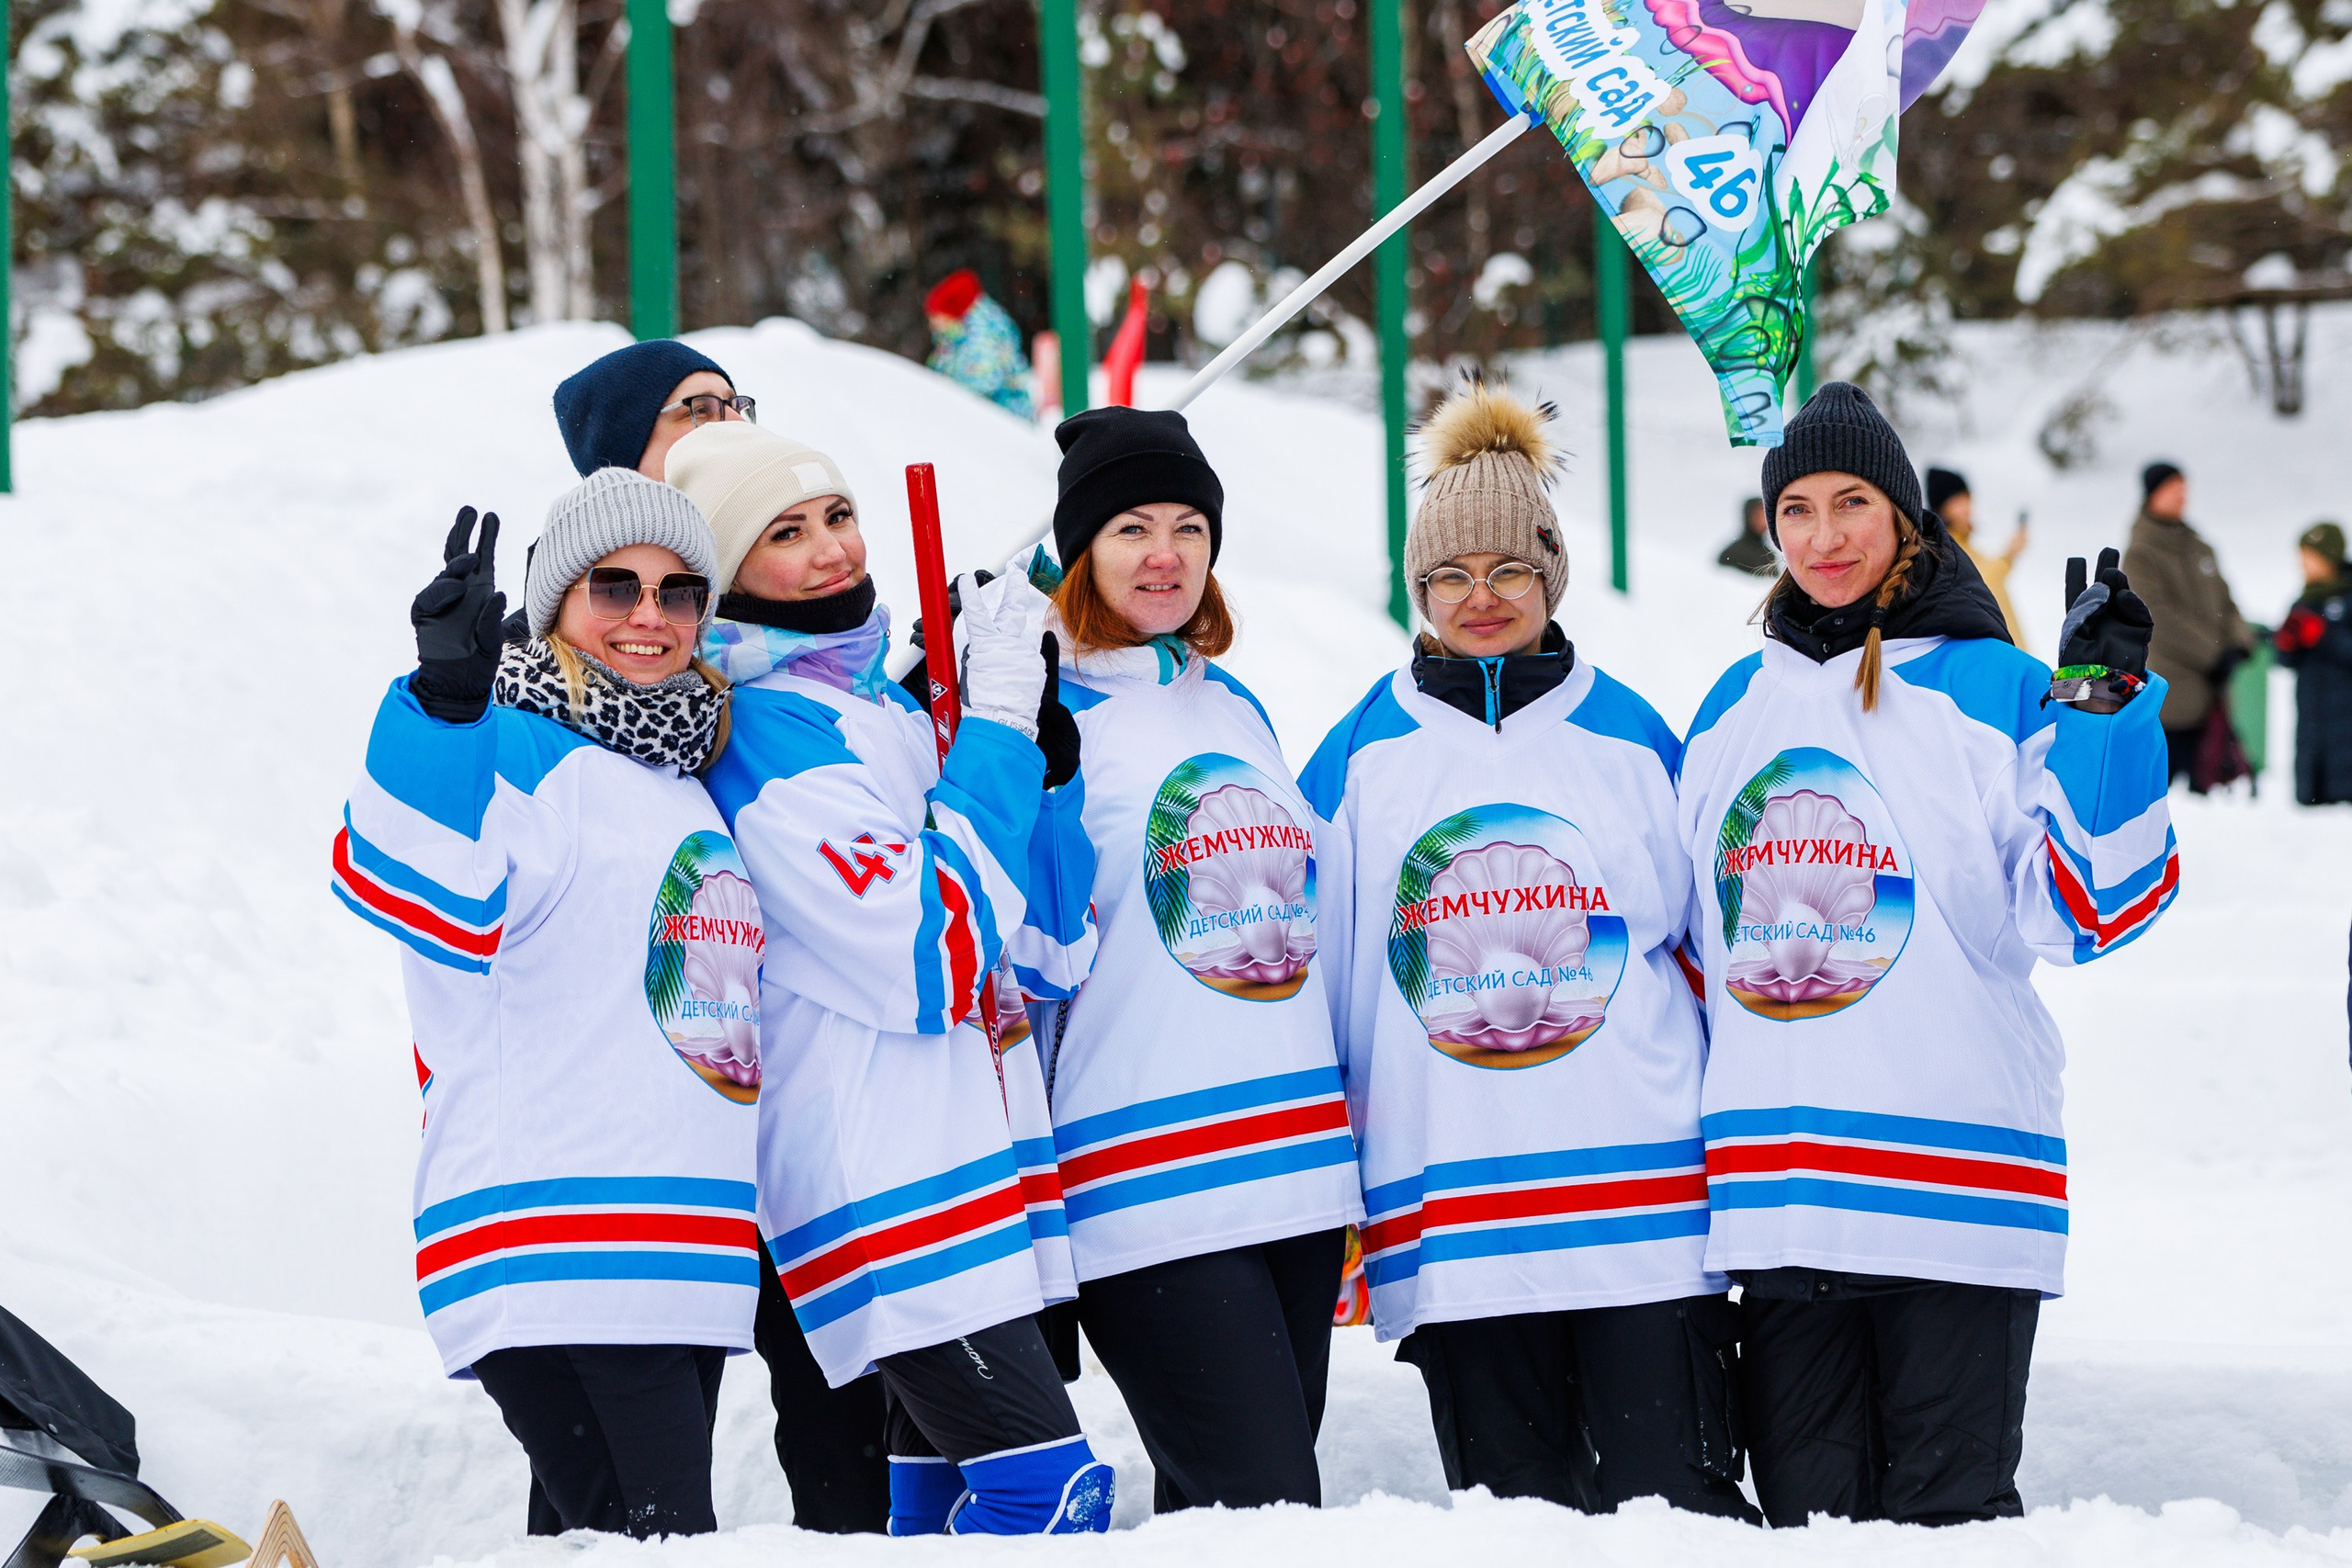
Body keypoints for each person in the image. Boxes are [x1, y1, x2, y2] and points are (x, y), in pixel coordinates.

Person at [1678, 384, 2177, 1529]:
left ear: (1904, 516)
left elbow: (2088, 909)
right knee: (1808, 1534)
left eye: (1851, 502)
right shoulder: (1727, 712)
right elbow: (1689, 951)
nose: (1823, 535)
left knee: (1949, 1536)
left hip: (1953, 1197)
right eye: (1794, 509)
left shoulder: (1992, 687)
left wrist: (2101, 709)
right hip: (1783, 1199)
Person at [1300, 378, 1758, 1522]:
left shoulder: (1637, 739)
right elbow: (1303, 980)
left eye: (1508, 570)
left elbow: (1720, 964)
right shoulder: (1360, 755)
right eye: (1449, 575)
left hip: (1647, 1217)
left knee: (1680, 1522)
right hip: (1456, 1220)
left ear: (1550, 573)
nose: (1480, 598)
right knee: (1518, 1529)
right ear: (1416, 587)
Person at [665, 421, 1111, 1537]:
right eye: (784, 533)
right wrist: (997, 731)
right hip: (887, 1179)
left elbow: (1050, 947)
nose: (831, 553)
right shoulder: (763, 734)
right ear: (724, 575)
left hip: (974, 1157)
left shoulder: (877, 708)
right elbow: (936, 953)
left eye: (839, 517)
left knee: (934, 1508)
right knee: (1048, 1498)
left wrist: (1031, 760)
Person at [334, 473, 756, 1538]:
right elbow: (407, 868)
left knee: (592, 1545)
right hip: (562, 1235)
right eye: (613, 588)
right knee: (657, 1545)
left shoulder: (680, 771)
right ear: (554, 605)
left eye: (678, 591)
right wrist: (442, 705)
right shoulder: (510, 743)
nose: (649, 617)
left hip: (678, 1241)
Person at [544, 344, 891, 1535]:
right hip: (638, 1143)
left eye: (738, 406)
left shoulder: (785, 666)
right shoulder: (564, 668)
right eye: (693, 411)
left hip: (807, 1111)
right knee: (621, 1476)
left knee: (846, 1409)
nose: (725, 425)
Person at [1029, 407, 1363, 1516]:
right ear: (1078, 549)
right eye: (1129, 527)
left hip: (1296, 1170)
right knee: (1261, 1505)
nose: (1165, 554)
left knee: (1239, 1512)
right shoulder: (1029, 715)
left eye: (1187, 526)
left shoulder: (1232, 703)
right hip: (1147, 1175)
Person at [2122, 460, 2252, 789]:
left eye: (2184, 486)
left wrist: (2239, 642)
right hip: (2171, 699)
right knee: (2165, 796)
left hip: (2212, 697)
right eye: (2173, 487)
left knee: (2210, 792)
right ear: (2153, 494)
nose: (2182, 494)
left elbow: (2227, 601)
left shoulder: (2199, 547)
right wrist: (2214, 654)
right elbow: (2156, 617)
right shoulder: (2141, 552)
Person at [2275, 520, 2352, 806]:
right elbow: (2285, 661)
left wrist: (2324, 636)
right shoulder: (2303, 601)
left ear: (2330, 557)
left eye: (2310, 557)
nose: (2303, 565)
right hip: (2313, 726)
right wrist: (2287, 644)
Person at [1927, 467, 2028, 648]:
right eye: (1959, 501)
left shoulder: (1966, 545)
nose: (1968, 508)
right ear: (1942, 507)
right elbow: (1978, 581)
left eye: (1968, 499)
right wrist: (2009, 554)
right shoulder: (1943, 548)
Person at [925, 270, 1036, 420]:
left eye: (937, 318)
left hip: (1003, 418)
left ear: (953, 311)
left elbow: (983, 381)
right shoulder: (957, 337)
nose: (933, 325)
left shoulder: (983, 335)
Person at [1717, 496, 1777, 576]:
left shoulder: (1768, 554)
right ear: (1748, 516)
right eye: (1758, 515)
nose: (1763, 520)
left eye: (1766, 515)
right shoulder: (1732, 553)